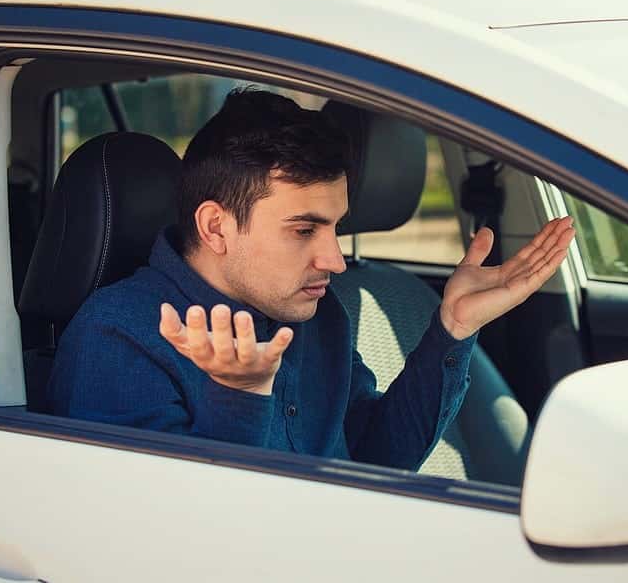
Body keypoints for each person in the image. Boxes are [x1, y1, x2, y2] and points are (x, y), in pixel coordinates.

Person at [48, 89, 575, 471]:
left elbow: (379, 463)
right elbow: (190, 545)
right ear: (216, 227)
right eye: (304, 229)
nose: (335, 260)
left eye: (336, 228)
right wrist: (241, 397)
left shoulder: (317, 316)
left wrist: (452, 330)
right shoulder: (118, 337)